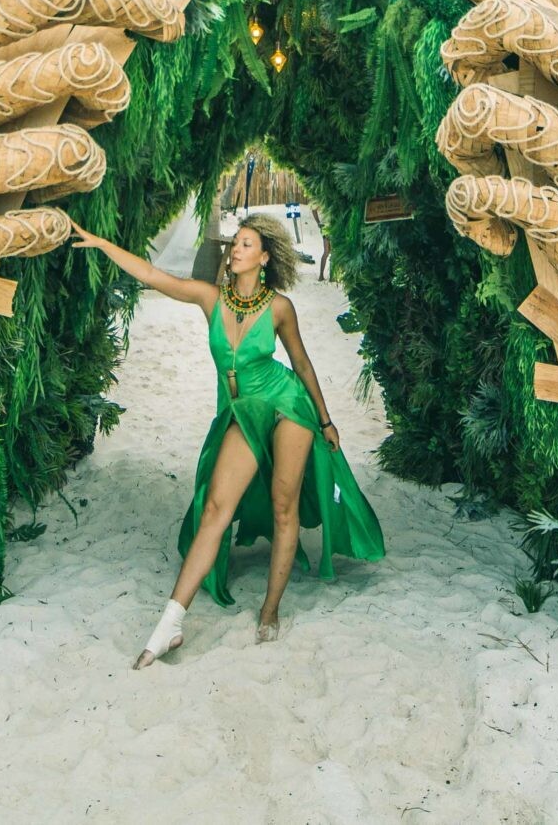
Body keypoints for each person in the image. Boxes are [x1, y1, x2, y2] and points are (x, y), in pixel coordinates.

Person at [70, 213, 382, 666]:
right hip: (243, 412)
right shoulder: (211, 298)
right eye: (235, 242)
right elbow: (155, 276)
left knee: (283, 505)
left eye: (247, 244)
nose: (235, 249)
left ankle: (270, 610)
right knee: (216, 508)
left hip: (288, 406)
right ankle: (170, 624)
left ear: (265, 257)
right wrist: (102, 243)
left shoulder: (279, 308)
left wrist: (326, 419)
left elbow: (303, 364)